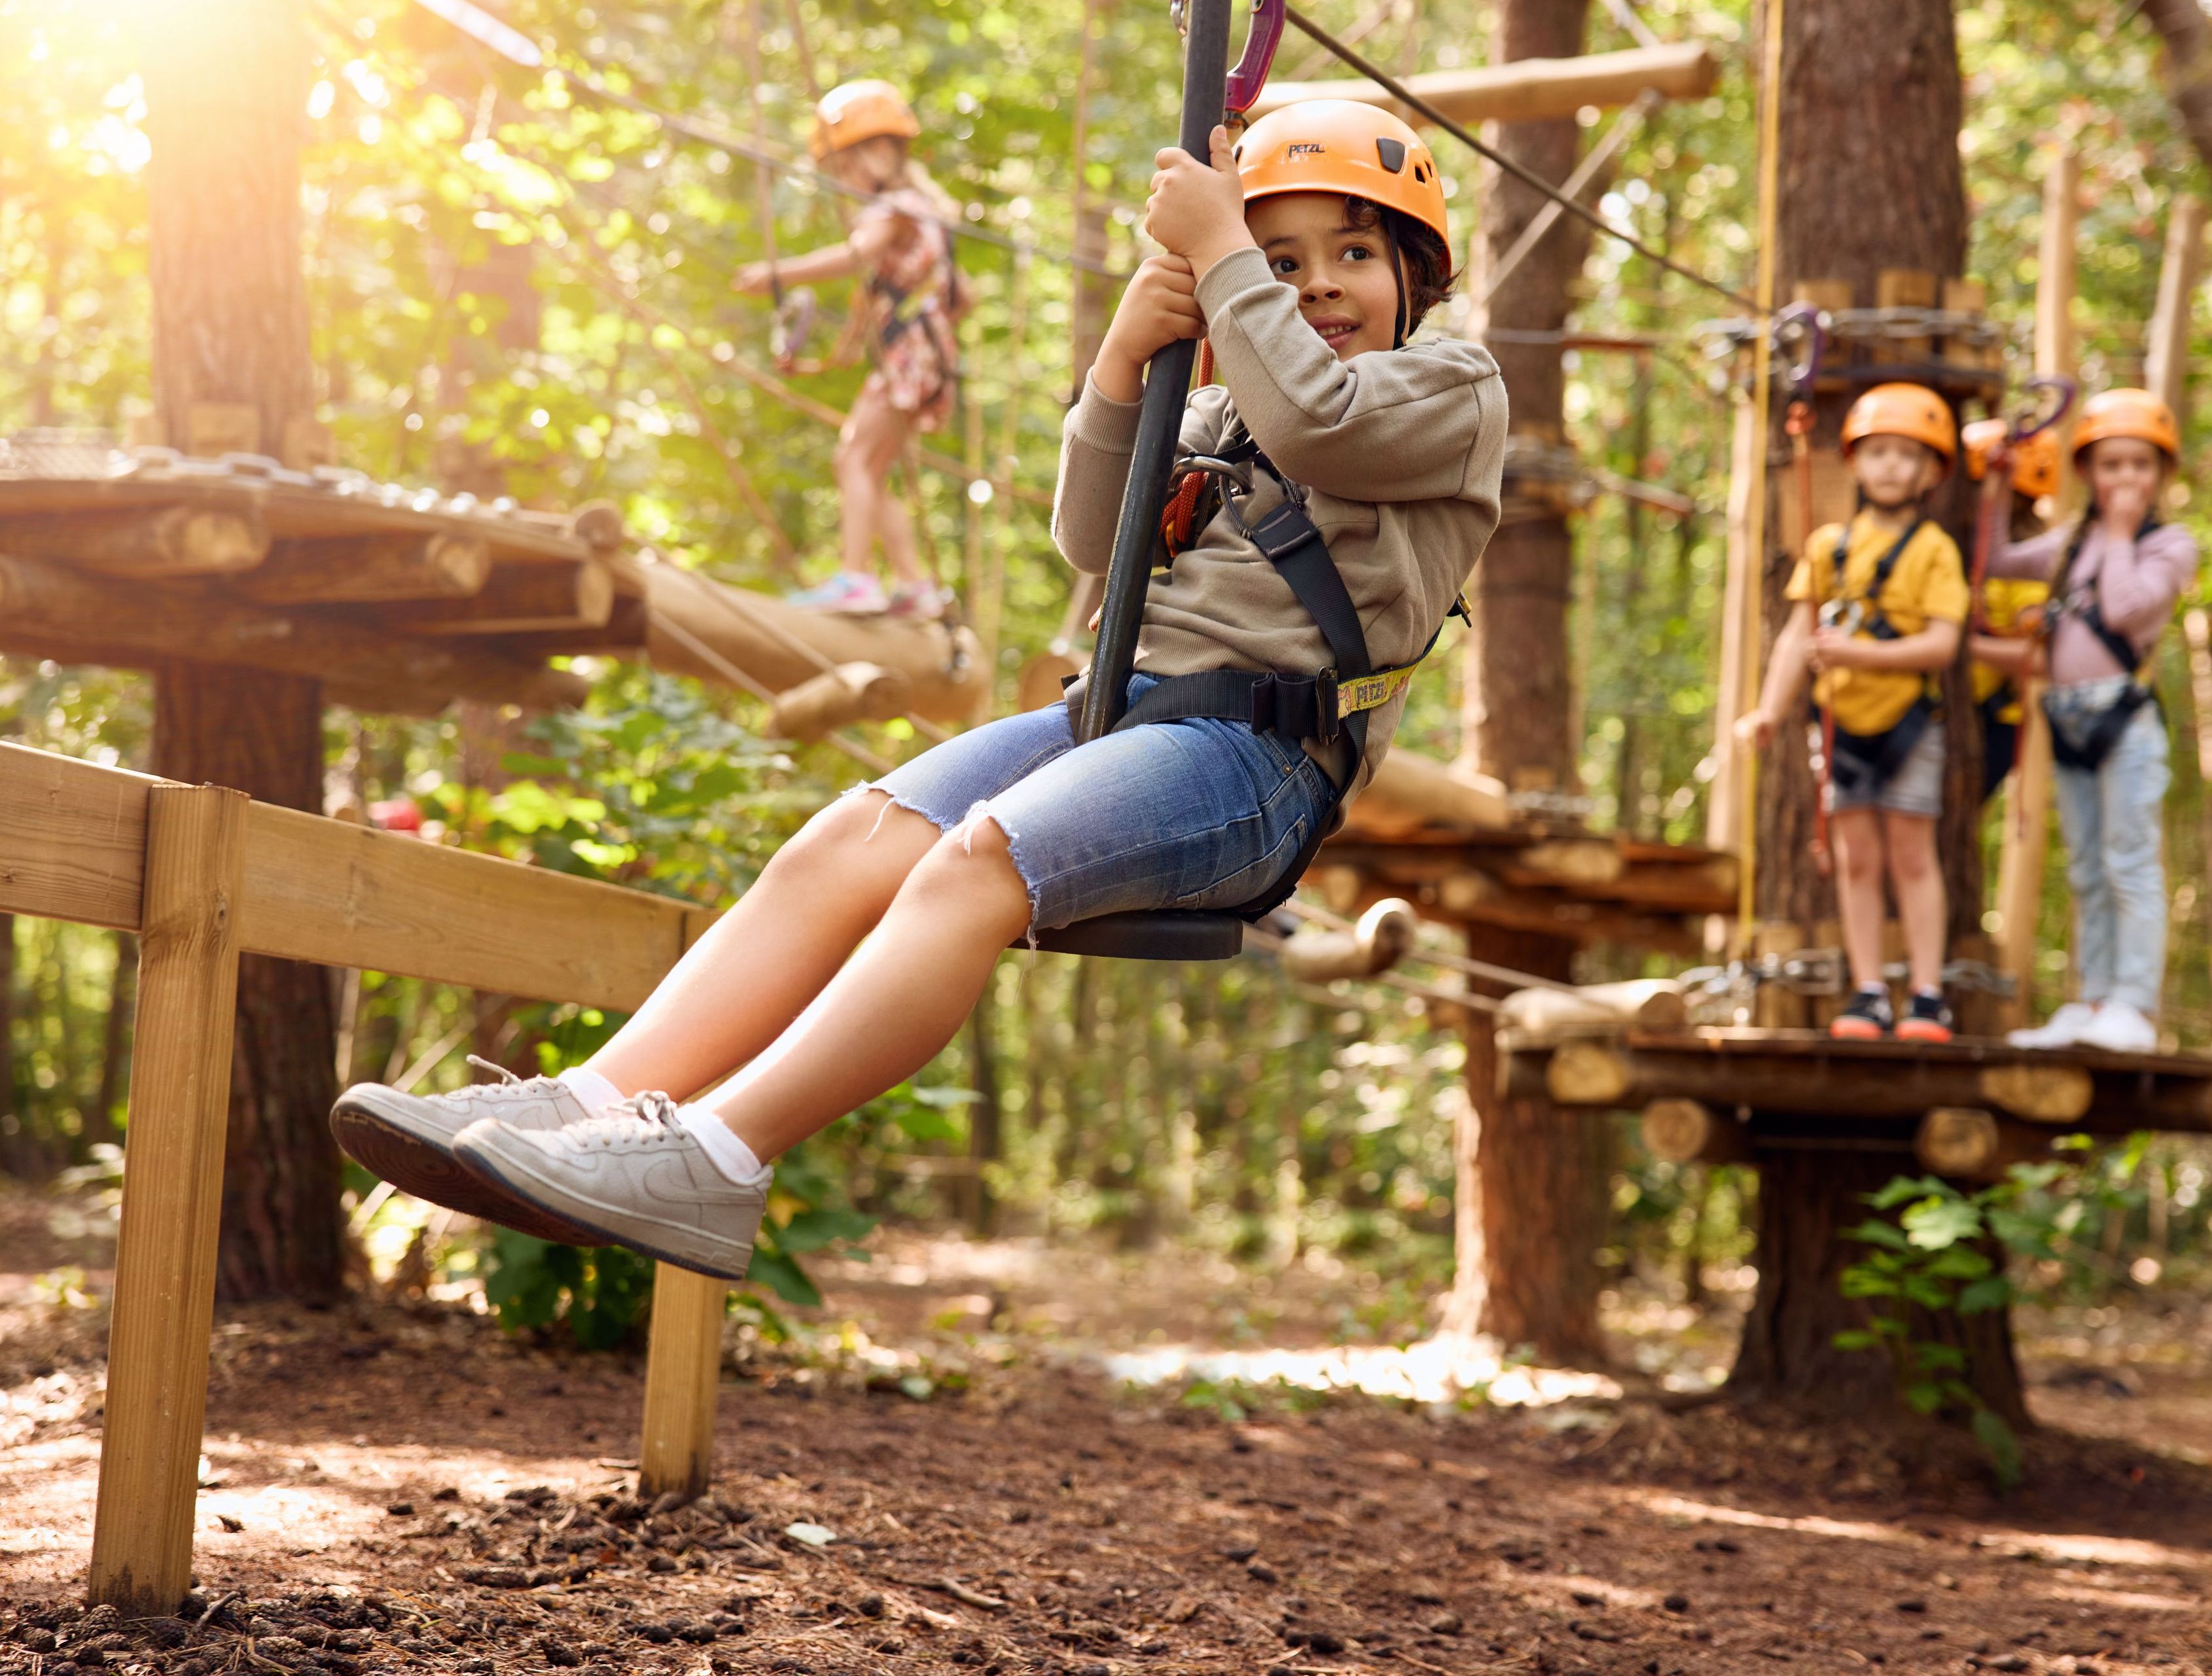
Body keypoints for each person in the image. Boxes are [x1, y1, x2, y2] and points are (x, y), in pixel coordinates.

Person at [330, 101, 1505, 1278]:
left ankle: (716, 1159)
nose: (1316, 287)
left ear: (1417, 278)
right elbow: (1095, 538)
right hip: (1120, 719)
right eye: (1283, 258)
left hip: (1260, 764)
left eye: (1354, 255)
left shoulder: (1451, 394)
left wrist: (1225, 251)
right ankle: (590, 1100)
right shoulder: (1217, 410)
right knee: (851, 837)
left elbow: (1319, 420)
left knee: (976, 861)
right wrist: (1116, 363)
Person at [1736, 384, 1969, 1043]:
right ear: (1856, 464)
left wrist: (1860, 654)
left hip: (1908, 724)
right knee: (1858, 859)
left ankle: (1927, 993)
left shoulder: (1934, 551)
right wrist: (1769, 711)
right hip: (1839, 726)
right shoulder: (1828, 546)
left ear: (1930, 472)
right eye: (1879, 453)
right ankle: (1869, 989)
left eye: (1907, 455)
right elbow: (1796, 637)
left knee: (1913, 854)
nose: (1892, 466)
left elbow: (1943, 643)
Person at [1997, 389, 2197, 1055]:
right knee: (2085, 866)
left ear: (2162, 473)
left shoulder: (2169, 545)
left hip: (2123, 722)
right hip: (2065, 719)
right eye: (2111, 465)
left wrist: (2117, 531)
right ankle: (2093, 1000)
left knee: (2128, 862)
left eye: (2141, 465)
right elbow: (1997, 559)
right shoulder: (2070, 545)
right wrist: (2001, 483)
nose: (2126, 479)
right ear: (2087, 471)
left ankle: (2133, 1006)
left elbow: (2123, 610)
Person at [735, 79, 967, 618]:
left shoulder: (896, 207)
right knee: (870, 463)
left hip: (911, 353)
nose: (841, 180)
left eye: (842, 166)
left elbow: (854, 256)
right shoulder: (925, 212)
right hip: (920, 353)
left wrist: (776, 273)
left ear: (871, 154)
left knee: (853, 458)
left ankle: (857, 579)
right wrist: (831, 359)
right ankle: (915, 586)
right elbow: (957, 297)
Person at [1960, 416, 2059, 796]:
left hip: (1991, 720)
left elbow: (2037, 655)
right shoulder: (1957, 547)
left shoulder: (2029, 564)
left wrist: (1967, 650)